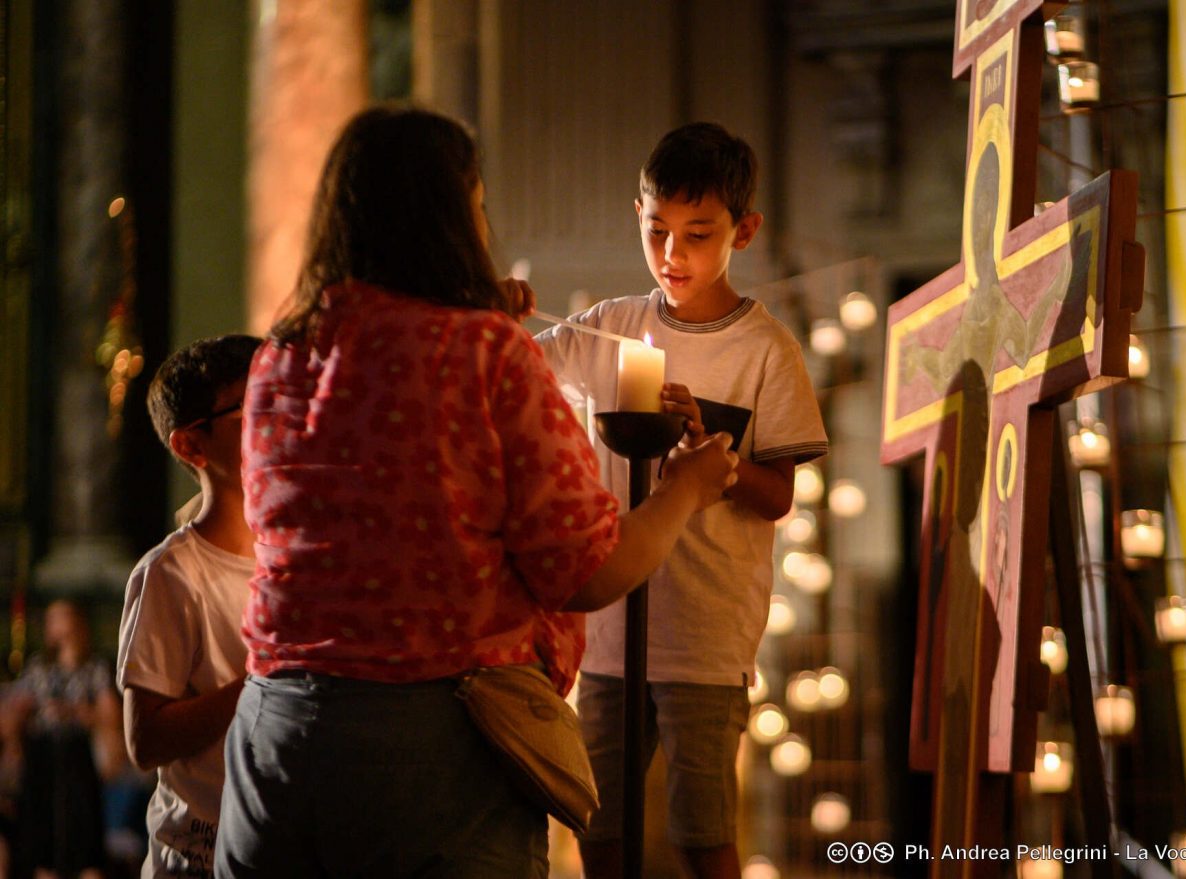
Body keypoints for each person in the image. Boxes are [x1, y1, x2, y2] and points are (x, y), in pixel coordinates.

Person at [212, 104, 739, 879]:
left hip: (276, 738)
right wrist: (685, 489)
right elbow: (587, 568)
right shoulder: (484, 352)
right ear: (452, 215)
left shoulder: (284, 356)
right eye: (477, 204)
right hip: (432, 750)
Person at [537, 121, 829, 878]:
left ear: (746, 230)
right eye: (657, 230)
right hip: (606, 622)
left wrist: (717, 457)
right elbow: (517, 365)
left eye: (698, 235)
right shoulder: (610, 328)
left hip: (705, 632)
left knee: (704, 833)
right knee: (595, 826)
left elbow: (780, 495)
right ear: (637, 212)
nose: (673, 255)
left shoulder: (765, 349)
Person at [115, 334, 261, 877]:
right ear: (191, 446)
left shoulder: (297, 554)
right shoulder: (171, 573)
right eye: (252, 408)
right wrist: (259, 685)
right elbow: (145, 739)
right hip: (199, 852)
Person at [2, 599, 120, 879]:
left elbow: (110, 717)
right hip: (43, 759)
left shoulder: (94, 668)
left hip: (78, 760)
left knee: (84, 840)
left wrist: (77, 711)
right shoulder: (38, 668)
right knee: (44, 843)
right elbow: (16, 710)